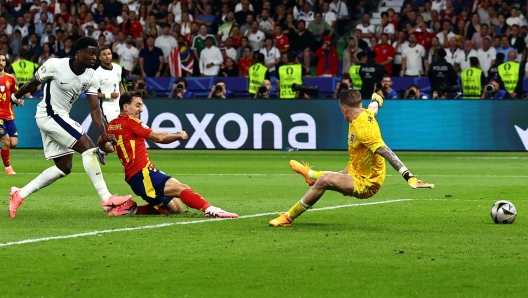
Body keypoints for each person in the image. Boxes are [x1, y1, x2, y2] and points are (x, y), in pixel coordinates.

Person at [269, 88, 433, 227]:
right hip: (357, 166)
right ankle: (310, 175)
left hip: (367, 181)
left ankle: (288, 217)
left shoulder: (364, 129)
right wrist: (378, 97)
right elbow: (374, 107)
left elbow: (385, 151)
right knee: (335, 175)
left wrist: (409, 176)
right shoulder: (365, 112)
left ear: (344, 109)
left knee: (326, 180)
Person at [8, 37, 133, 218]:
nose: (94, 57)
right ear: (79, 53)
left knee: (64, 167)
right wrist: (14, 97)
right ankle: (107, 198)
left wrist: (104, 133)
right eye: (91, 53)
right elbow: (34, 82)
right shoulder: (55, 65)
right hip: (48, 114)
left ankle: (19, 194)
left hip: (61, 116)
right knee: (88, 148)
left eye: (95, 54)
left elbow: (95, 109)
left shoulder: (91, 75)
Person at [98, 92, 239, 217]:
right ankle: (212, 210)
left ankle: (131, 209)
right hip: (143, 174)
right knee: (182, 188)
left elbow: (101, 140)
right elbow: (159, 138)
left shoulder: (111, 125)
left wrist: (105, 148)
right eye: (137, 105)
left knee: (175, 208)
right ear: (125, 107)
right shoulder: (131, 122)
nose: (141, 109)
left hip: (134, 179)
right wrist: (177, 135)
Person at [0, 53, 21, 175]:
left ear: (5, 63)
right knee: (6, 141)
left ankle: (4, 156)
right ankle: (8, 168)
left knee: (13, 143)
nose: (1, 62)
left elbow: (15, 95)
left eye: (3, 60)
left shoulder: (10, 79)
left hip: (9, 116)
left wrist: (19, 101)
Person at [95, 46, 125, 123]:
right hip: (107, 107)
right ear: (100, 57)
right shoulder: (97, 73)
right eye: (104, 54)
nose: (107, 56)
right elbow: (94, 94)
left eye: (109, 54)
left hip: (120, 104)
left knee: (123, 129)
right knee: (115, 129)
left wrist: (125, 98)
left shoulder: (118, 68)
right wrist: (109, 95)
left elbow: (119, 84)